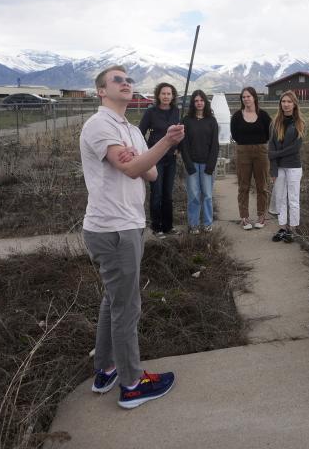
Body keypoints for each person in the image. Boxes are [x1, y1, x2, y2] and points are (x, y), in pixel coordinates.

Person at [79, 65, 183, 409]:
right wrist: (165, 142)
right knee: (127, 307)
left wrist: (142, 156)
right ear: (101, 91)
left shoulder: (131, 131)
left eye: (128, 80)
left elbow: (150, 172)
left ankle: (107, 368)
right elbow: (134, 168)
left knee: (114, 301)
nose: (126, 84)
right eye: (117, 80)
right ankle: (132, 384)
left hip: (129, 224)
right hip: (112, 229)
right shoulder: (99, 124)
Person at [138, 82, 180, 236]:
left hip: (171, 157)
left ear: (173, 96)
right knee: (157, 193)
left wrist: (178, 149)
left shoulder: (176, 112)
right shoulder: (151, 112)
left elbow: (179, 133)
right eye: (163, 93)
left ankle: (168, 226)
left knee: (168, 194)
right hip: (155, 158)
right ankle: (157, 227)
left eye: (169, 94)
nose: (166, 96)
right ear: (158, 95)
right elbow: (139, 133)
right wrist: (144, 153)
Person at [230, 86, 271, 230]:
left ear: (254, 97)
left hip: (261, 151)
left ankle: (261, 216)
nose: (246, 99)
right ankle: (244, 218)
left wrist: (258, 143)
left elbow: (269, 133)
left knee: (262, 186)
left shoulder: (264, 116)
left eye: (248, 96)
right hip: (243, 151)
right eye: (243, 97)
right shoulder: (236, 116)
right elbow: (234, 135)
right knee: (243, 186)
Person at [268, 90, 305, 243]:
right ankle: (283, 228)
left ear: (294, 104)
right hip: (279, 167)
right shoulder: (274, 122)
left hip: (294, 167)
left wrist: (276, 154)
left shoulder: (300, 123)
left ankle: (293, 229)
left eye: (289, 101)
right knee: (280, 198)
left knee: (293, 199)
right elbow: (271, 146)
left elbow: (295, 148)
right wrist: (273, 168)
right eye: (283, 101)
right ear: (280, 104)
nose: (286, 104)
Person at [181, 90, 219, 234]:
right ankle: (193, 224)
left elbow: (215, 145)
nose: (199, 103)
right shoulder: (186, 120)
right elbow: (183, 144)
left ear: (205, 102)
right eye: (196, 101)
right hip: (192, 164)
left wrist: (211, 165)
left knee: (207, 195)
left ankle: (207, 223)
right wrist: (188, 164)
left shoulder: (211, 121)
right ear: (193, 103)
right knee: (194, 196)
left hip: (207, 164)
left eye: (201, 100)